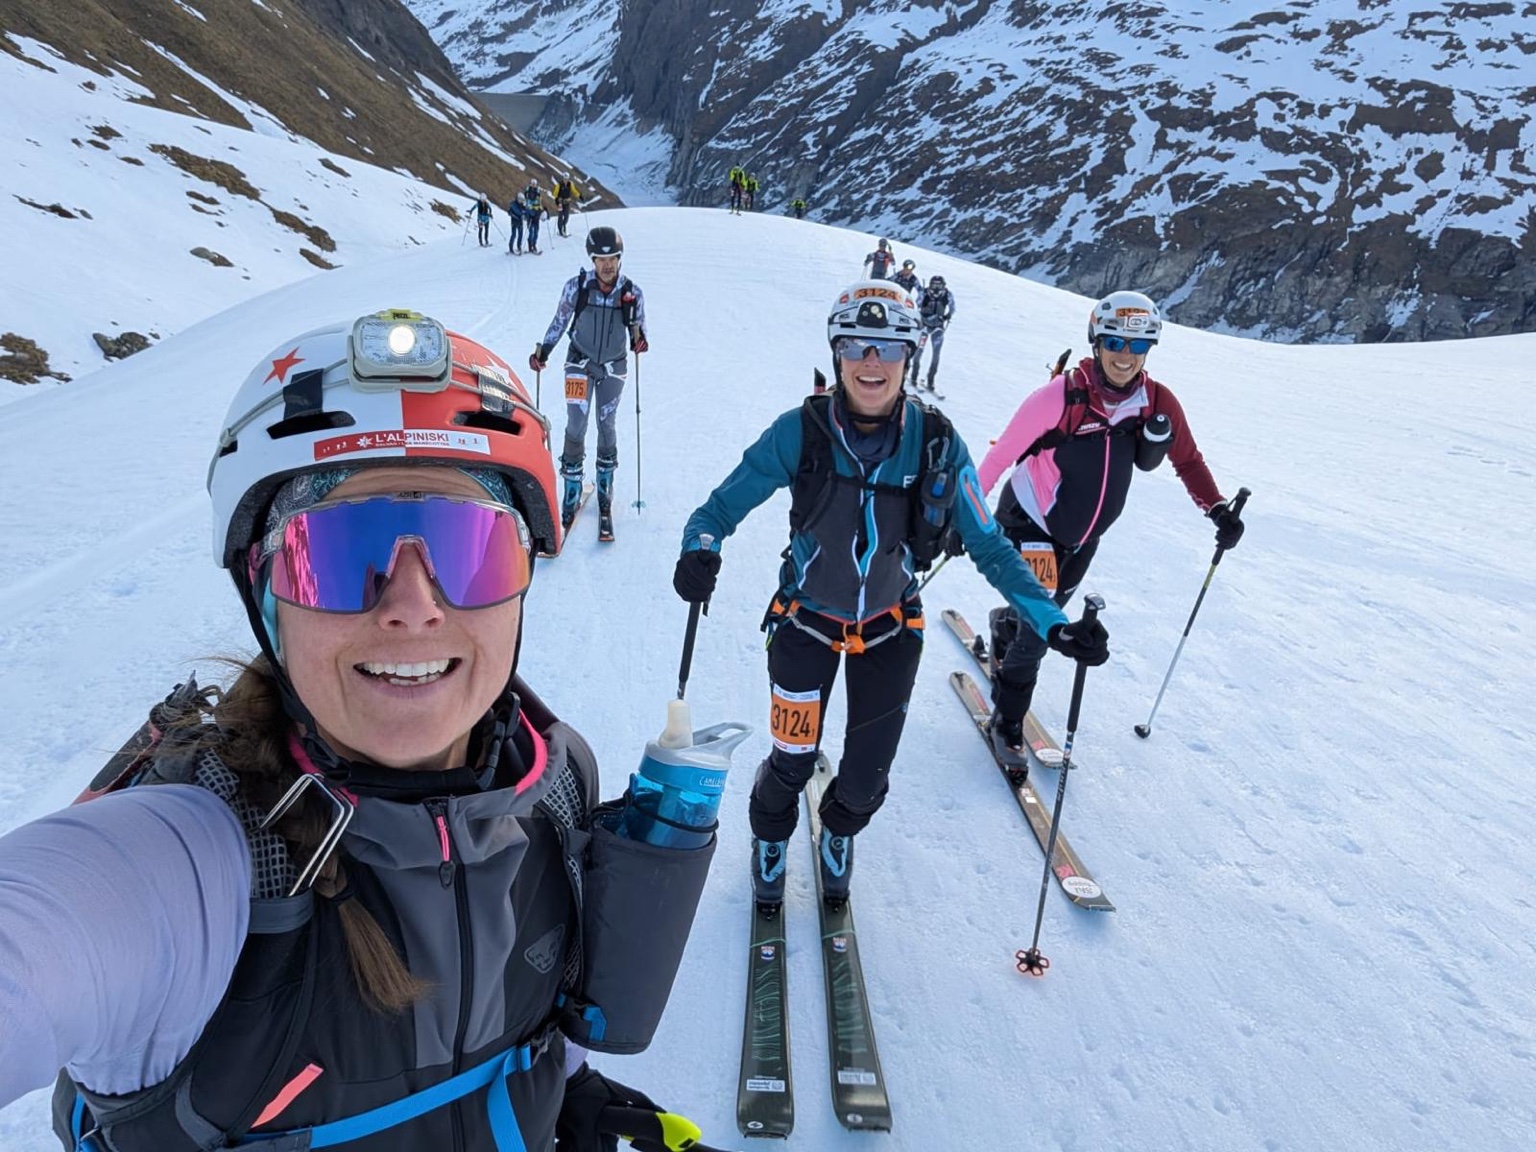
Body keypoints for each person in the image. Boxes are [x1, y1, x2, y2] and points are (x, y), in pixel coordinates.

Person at [0, 309, 723, 1151]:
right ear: (264, 590)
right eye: (340, 553)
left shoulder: (553, 789)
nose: (414, 610)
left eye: (471, 546)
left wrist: (565, 1090)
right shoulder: (189, 867)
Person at [671, 281, 1109, 911]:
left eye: (888, 346)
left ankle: (840, 833)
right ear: (837, 351)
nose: (870, 361)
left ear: (910, 354)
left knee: (866, 778)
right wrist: (699, 548)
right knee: (791, 761)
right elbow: (718, 509)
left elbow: (989, 545)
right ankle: (770, 841)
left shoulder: (936, 442)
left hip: (890, 630)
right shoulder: (801, 432)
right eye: (855, 344)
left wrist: (1051, 622)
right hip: (804, 624)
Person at [977, 290, 1244, 765]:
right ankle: (1007, 720)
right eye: (1115, 342)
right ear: (1096, 341)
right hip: (1029, 517)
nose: (1125, 355)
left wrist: (1217, 510)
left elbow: (1187, 460)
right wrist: (965, 517)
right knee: (1041, 629)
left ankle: (1004, 625)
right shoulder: (1059, 397)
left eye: (1138, 346)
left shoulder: (1157, 401)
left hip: (1083, 535)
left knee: (1041, 612)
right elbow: (1000, 456)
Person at [529, 227, 649, 539]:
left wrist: (639, 340)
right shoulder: (577, 287)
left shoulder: (632, 292)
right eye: (601, 259)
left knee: (606, 423)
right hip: (578, 363)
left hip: (614, 367)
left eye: (613, 258)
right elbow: (560, 321)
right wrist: (543, 350)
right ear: (592, 259)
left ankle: (605, 488)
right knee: (576, 424)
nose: (607, 265)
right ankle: (571, 491)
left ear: (620, 259)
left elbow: (639, 331)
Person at [910, 274, 954, 392]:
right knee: (919, 351)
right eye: (934, 285)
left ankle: (931, 380)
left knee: (936, 354)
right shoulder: (924, 293)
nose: (936, 287)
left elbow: (952, 307)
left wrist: (947, 315)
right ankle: (914, 376)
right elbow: (916, 304)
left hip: (937, 328)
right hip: (924, 326)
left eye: (939, 285)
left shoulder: (947, 294)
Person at [523, 181, 545, 254]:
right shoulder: (527, 192)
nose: (533, 185)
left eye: (534, 184)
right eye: (532, 184)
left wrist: (542, 210)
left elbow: (540, 205)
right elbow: (526, 205)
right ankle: (530, 246)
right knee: (531, 232)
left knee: (536, 232)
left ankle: (534, 245)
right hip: (530, 216)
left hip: (536, 217)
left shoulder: (537, 192)